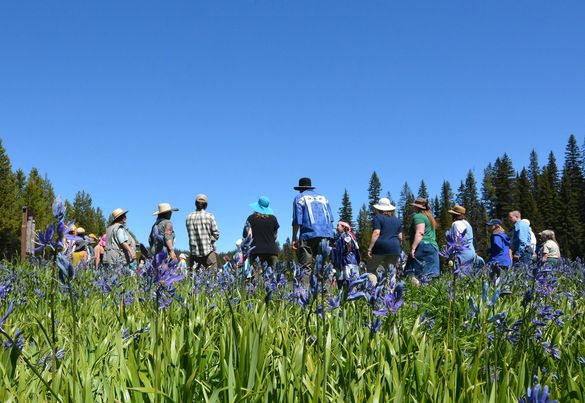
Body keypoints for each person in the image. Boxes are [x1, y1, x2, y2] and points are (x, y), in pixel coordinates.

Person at [291, 177, 335, 277]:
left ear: (300, 188)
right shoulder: (324, 198)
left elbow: (297, 220)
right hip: (326, 234)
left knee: (306, 267)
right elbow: (331, 219)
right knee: (322, 266)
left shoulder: (299, 198)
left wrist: (294, 237)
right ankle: (324, 290)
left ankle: (303, 291)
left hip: (308, 234)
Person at [404, 197, 440, 280]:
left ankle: (417, 292)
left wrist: (413, 249)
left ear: (417, 207)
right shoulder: (429, 217)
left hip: (422, 247)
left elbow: (420, 232)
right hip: (433, 247)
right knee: (430, 275)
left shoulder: (418, 216)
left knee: (412, 273)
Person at [367, 197, 402, 276]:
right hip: (395, 248)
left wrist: (370, 248)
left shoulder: (378, 218)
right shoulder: (397, 220)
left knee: (371, 269)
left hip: (380, 247)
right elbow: (400, 237)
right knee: (391, 271)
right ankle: (390, 288)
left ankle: (371, 287)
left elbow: (376, 232)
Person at [244, 196, 280, 270]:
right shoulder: (273, 218)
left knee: (257, 278)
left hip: (256, 251)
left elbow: (249, 235)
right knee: (273, 277)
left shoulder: (251, 218)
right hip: (271, 251)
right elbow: (275, 236)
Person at [186, 194, 220, 270]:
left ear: (195, 204)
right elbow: (216, 234)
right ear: (206, 205)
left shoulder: (188, 217)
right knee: (213, 278)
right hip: (208, 253)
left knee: (193, 279)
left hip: (194, 253)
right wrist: (208, 241)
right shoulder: (210, 216)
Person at [331, 221, 360, 289]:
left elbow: (348, 248)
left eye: (338, 226)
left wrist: (344, 254)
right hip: (342, 263)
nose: (337, 227)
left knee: (351, 282)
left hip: (348, 262)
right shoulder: (340, 237)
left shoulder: (346, 235)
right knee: (343, 283)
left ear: (343, 227)